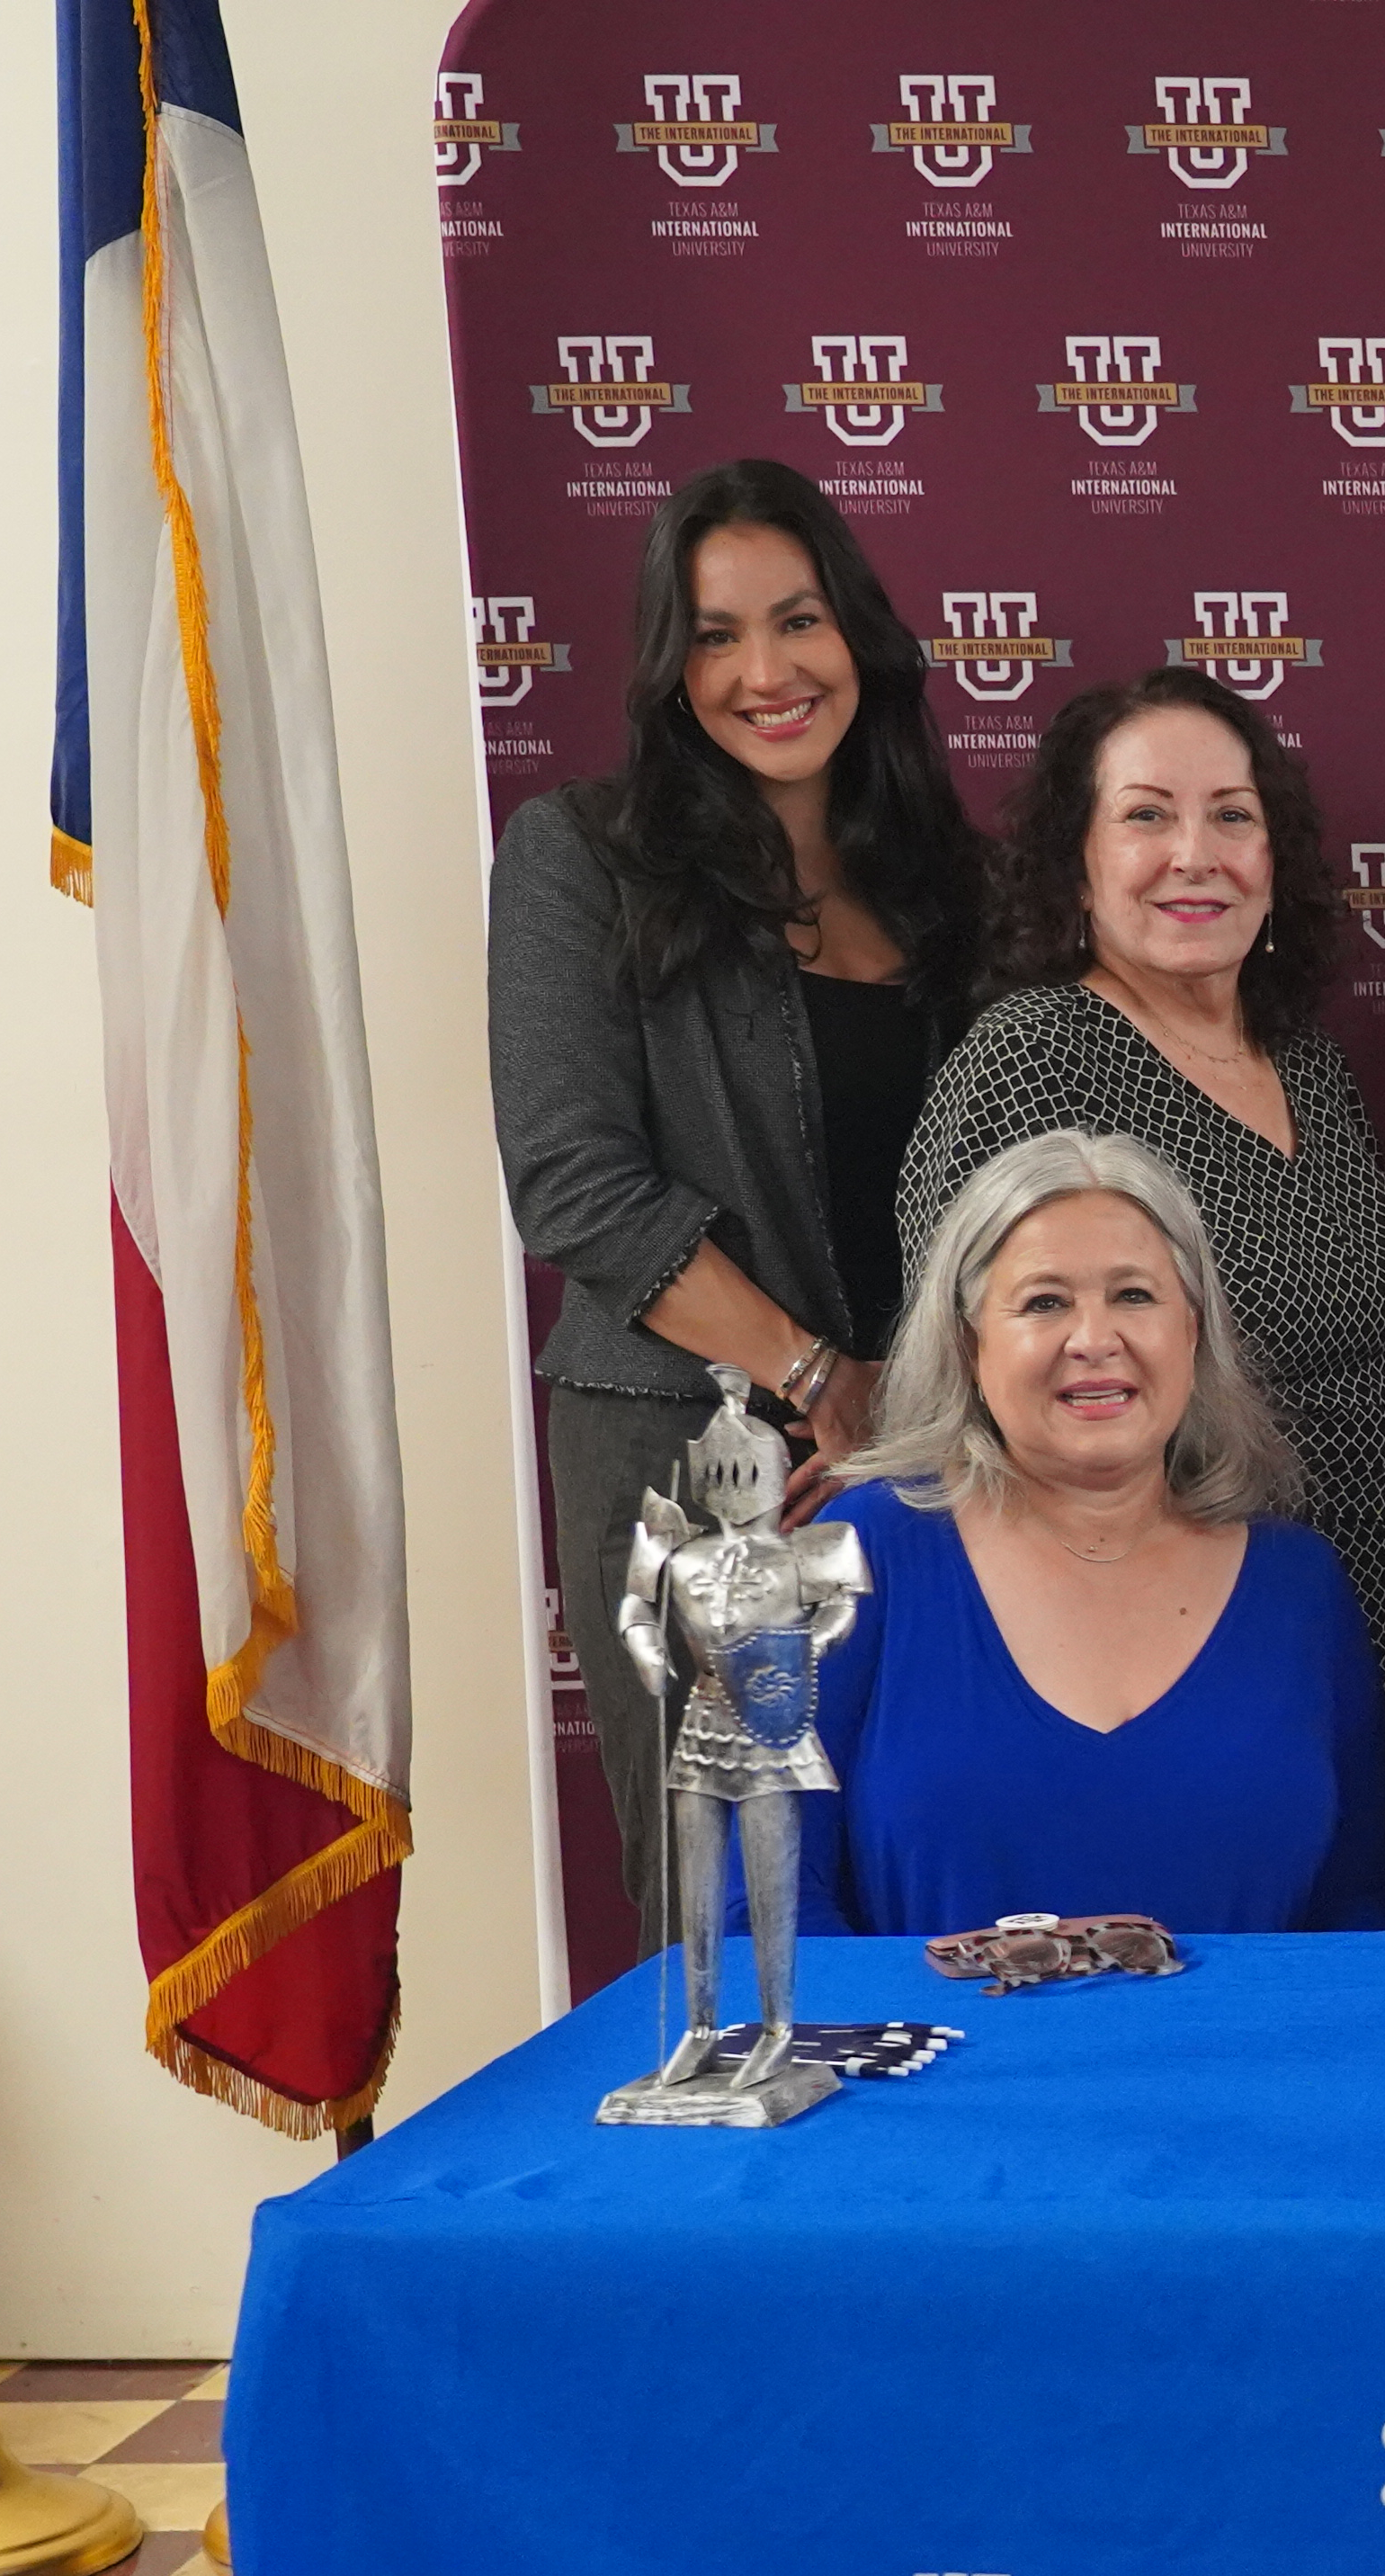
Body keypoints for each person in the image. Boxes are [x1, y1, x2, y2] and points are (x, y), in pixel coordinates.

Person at [492, 457, 981, 1928]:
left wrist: (918, 1405)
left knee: (926, 1874)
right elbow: (571, 1183)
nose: (766, 671)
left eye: (800, 620)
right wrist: (818, 1374)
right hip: (688, 1460)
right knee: (728, 1900)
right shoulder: (583, 856)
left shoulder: (950, 879)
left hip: (936, 1456)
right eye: (715, 635)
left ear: (863, 639)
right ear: (667, 665)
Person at [898, 673, 1385, 1682]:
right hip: (1166, 1646)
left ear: (1273, 863)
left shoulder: (1308, 1066)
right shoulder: (1034, 1058)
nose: (1194, 855)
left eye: (1231, 816)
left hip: (1379, 1634)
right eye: (1146, 816)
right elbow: (959, 1393)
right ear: (1078, 867)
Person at [792, 1129, 1385, 1937]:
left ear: (1193, 1330)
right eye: (1045, 1302)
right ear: (970, 1345)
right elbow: (761, 1898)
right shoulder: (862, 1550)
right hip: (945, 2063)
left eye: (1135, 1296)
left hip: (1247, 2064)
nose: (1094, 1339)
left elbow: (1363, 1902)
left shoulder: (1301, 1584)